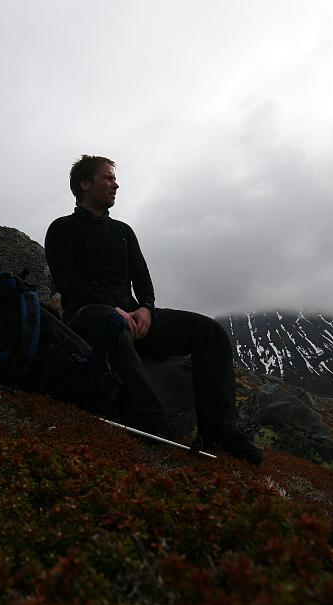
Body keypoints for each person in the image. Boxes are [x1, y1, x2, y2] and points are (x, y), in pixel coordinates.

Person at [44, 155, 262, 464]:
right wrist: (110, 308)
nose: (115, 184)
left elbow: (142, 279)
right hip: (87, 315)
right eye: (107, 178)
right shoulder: (62, 229)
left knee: (208, 332)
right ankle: (155, 425)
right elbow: (67, 283)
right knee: (113, 323)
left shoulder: (123, 231)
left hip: (133, 314)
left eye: (114, 179)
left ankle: (220, 430)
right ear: (85, 184)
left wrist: (146, 308)